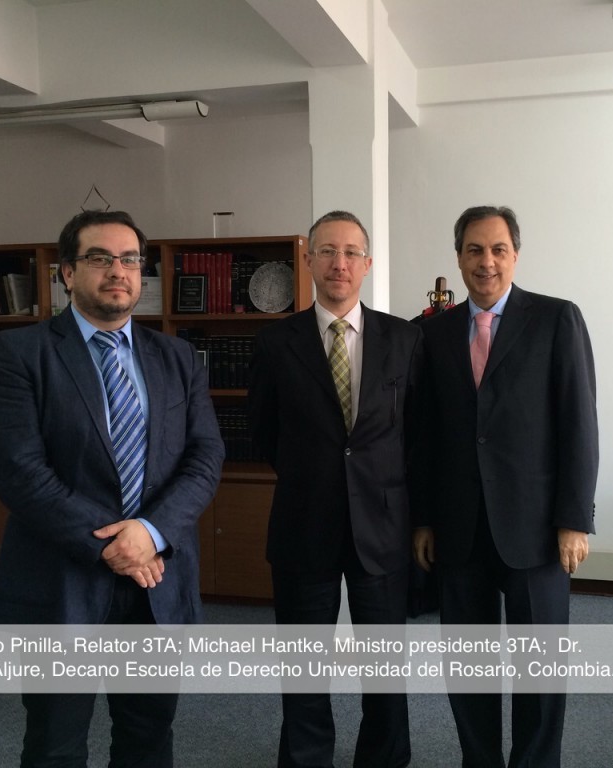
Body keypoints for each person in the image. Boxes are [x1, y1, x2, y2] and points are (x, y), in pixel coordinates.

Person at [0, 209, 225, 767]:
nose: (118, 270)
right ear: (67, 272)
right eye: (100, 258)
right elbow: (19, 471)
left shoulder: (177, 357)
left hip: (157, 582)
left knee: (148, 739)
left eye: (130, 260)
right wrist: (117, 544)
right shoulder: (22, 352)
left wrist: (151, 532)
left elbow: (205, 456)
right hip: (61, 581)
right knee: (55, 744)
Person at [412, 205, 598, 768]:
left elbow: (579, 425)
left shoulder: (557, 319)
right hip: (459, 529)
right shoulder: (432, 332)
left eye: (498, 249)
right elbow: (423, 435)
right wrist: (423, 519)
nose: (486, 261)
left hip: (536, 528)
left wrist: (574, 520)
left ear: (515, 255)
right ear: (458, 257)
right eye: (474, 250)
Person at [248, 210, 423, 768]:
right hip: (304, 524)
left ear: (367, 264)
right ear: (309, 261)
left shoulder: (405, 339)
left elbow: (416, 434)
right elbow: (264, 431)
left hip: (383, 527)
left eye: (350, 252)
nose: (338, 263)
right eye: (327, 251)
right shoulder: (275, 343)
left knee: (385, 671)